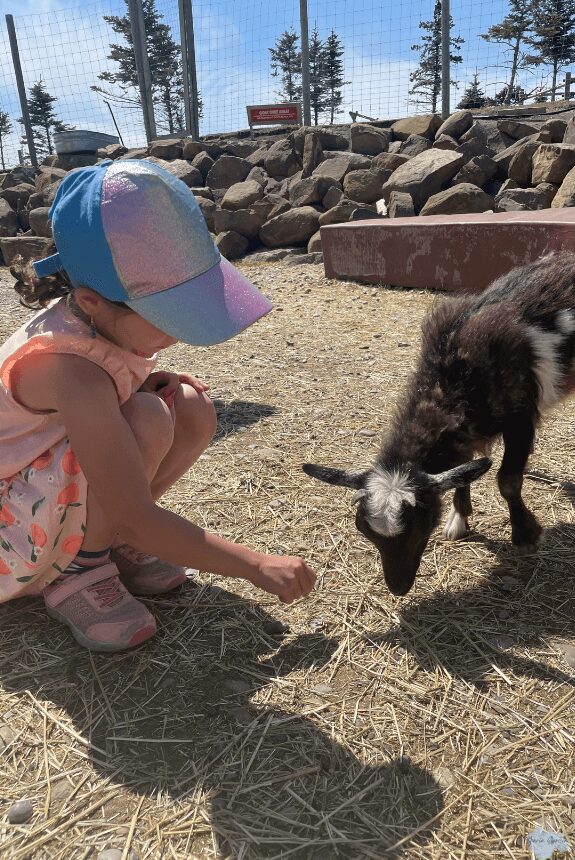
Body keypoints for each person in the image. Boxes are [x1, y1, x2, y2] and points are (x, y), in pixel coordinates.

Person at [0, 159, 316, 652]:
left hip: (37, 493)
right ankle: (78, 574)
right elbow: (132, 505)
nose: (178, 332)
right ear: (90, 301)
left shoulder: (95, 321)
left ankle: (99, 543)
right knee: (147, 416)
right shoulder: (70, 367)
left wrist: (145, 384)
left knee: (187, 404)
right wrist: (255, 564)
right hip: (8, 532)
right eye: (166, 314)